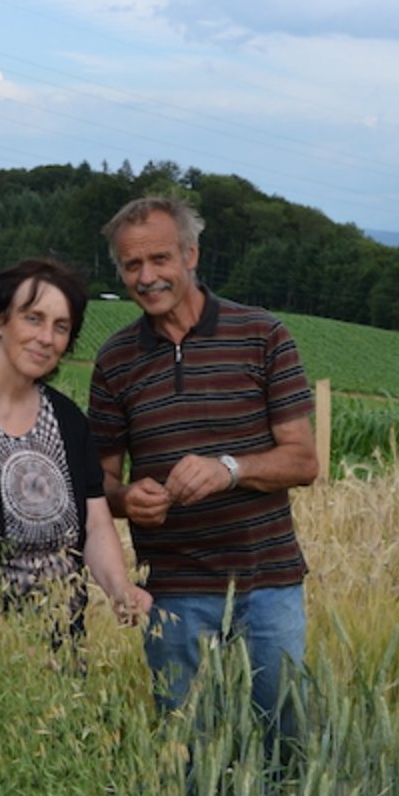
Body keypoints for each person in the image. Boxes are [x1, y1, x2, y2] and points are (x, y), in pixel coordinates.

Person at [87, 197, 319, 738]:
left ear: (191, 255)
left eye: (160, 259)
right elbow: (99, 484)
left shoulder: (263, 335)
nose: (147, 278)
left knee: (285, 738)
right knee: (186, 748)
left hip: (268, 584)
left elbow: (304, 460)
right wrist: (127, 500)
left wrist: (229, 470)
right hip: (173, 591)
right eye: (132, 266)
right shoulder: (115, 359)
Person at [0, 257, 152, 642]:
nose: (46, 338)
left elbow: (96, 524)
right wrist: (10, 651)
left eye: (61, 327)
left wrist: (121, 590)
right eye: (33, 318)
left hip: (60, 649)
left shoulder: (68, 420)